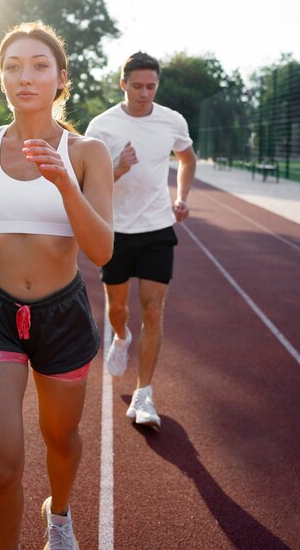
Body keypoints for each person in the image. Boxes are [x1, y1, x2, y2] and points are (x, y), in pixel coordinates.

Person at [0, 21, 113, 550]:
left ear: (61, 79)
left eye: (40, 66)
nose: (26, 76)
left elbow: (102, 250)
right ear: (1, 78)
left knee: (61, 441)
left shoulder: (88, 153)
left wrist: (65, 182)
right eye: (14, 66)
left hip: (61, 315)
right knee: (2, 467)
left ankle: (60, 516)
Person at [85, 51, 196, 431]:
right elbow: (89, 187)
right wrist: (118, 167)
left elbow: (187, 157)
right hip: (114, 231)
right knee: (119, 308)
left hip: (157, 228)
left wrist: (182, 196)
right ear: (123, 84)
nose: (145, 93)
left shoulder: (172, 121)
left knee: (153, 309)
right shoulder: (102, 127)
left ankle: (144, 394)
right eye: (137, 86)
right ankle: (120, 335)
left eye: (151, 86)